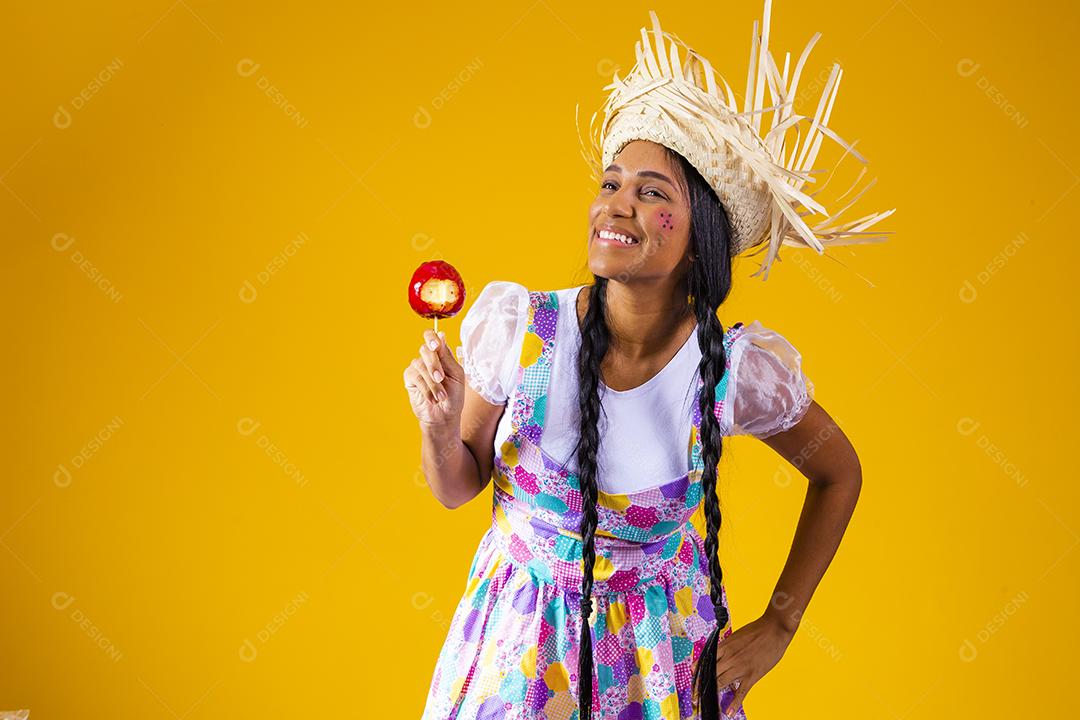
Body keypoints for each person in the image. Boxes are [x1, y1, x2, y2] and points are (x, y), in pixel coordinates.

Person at [405, 3, 890, 718]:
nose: (616, 205)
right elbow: (455, 488)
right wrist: (441, 430)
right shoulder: (523, 332)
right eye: (610, 183)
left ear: (699, 240)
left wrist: (780, 626)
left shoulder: (731, 371)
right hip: (517, 661)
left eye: (651, 192)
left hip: (661, 674)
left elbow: (838, 471)